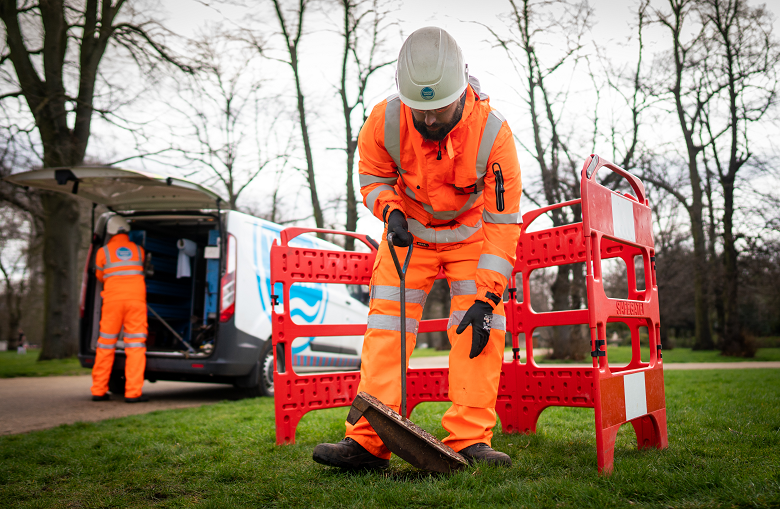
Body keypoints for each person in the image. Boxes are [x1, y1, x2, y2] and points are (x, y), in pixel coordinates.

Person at [313, 26, 522, 469]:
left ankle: (470, 441)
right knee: (386, 332)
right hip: (407, 237)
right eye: (419, 110)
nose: (428, 120)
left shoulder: (495, 133)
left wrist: (488, 296)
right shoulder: (384, 118)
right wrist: (389, 211)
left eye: (438, 110)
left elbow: (503, 222)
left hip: (471, 239)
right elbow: (370, 175)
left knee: (479, 332)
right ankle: (367, 442)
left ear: (462, 92)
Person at [91, 215, 149, 403]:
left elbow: (100, 276)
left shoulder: (103, 252)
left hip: (112, 302)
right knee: (135, 346)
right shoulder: (139, 251)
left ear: (110, 232)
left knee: (105, 345)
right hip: (136, 302)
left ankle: (98, 391)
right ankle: (133, 393)